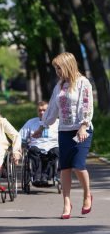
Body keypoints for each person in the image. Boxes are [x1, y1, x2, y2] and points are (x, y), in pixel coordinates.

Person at [32, 52, 94, 220]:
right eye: (56, 68)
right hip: (64, 131)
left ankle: (87, 194)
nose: (57, 72)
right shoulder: (59, 86)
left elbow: (86, 105)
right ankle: (67, 203)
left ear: (68, 65)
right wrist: (42, 126)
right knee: (65, 167)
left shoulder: (83, 83)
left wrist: (83, 126)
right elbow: (52, 108)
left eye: (59, 68)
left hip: (82, 129)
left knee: (78, 165)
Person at [19, 101, 59, 186]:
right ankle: (36, 177)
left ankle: (45, 176)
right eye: (39, 110)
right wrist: (21, 146)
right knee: (33, 149)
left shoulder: (58, 123)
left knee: (56, 151)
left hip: (52, 147)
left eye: (44, 110)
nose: (42, 112)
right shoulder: (31, 122)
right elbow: (21, 137)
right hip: (36, 147)